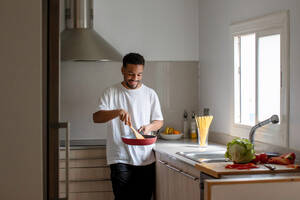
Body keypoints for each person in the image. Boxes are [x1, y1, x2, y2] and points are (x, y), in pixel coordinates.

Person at [93, 52, 164, 200]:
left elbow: (159, 121)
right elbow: (97, 117)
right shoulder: (111, 92)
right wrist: (117, 112)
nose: (135, 79)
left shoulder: (150, 94)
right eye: (131, 74)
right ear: (122, 70)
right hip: (120, 157)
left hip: (145, 158)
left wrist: (148, 128)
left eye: (139, 75)